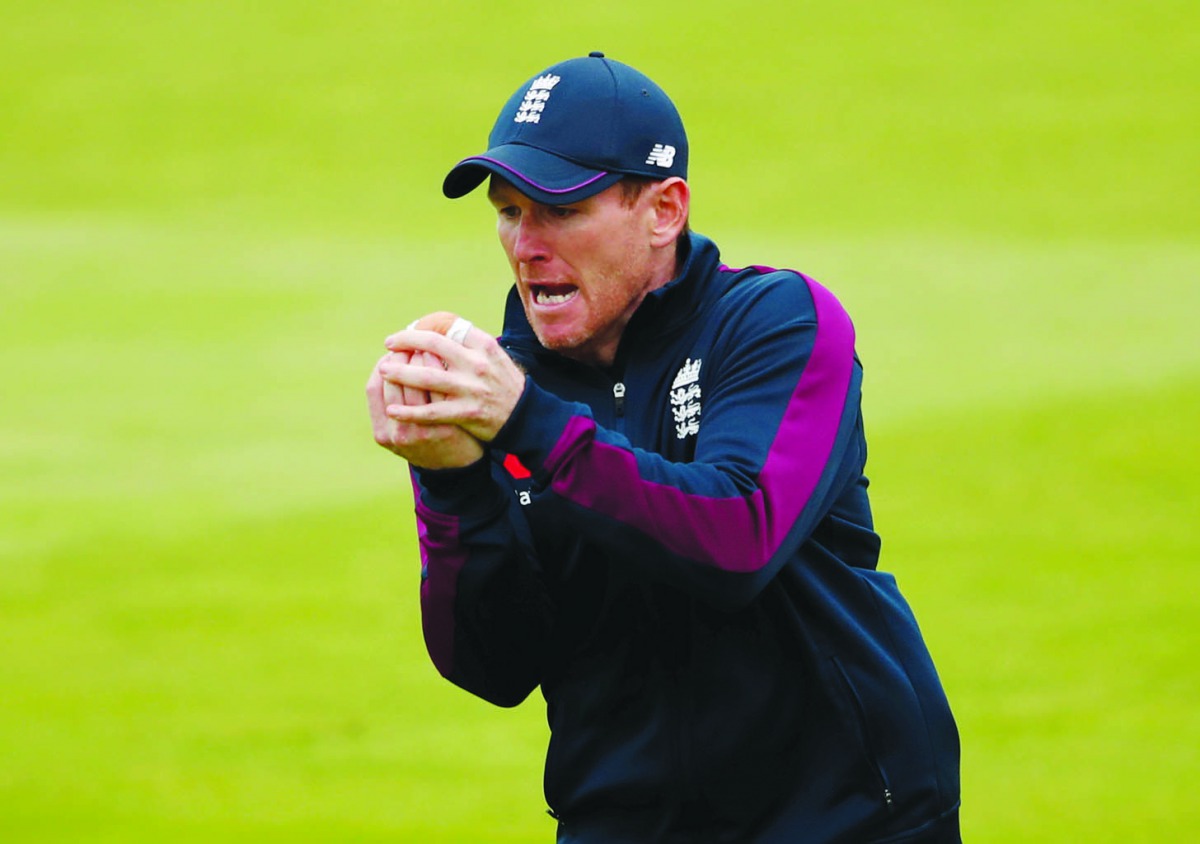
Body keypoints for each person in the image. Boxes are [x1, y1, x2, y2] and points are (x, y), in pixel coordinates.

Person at [366, 52, 961, 843]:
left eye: (562, 210)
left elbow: (737, 538)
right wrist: (450, 485)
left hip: (846, 819)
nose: (525, 244)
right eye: (509, 211)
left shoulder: (776, 322)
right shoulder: (508, 392)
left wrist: (526, 424)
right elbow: (495, 667)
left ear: (664, 210)